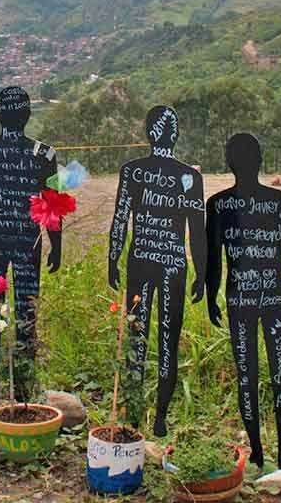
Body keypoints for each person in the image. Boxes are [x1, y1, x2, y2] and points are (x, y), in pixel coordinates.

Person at [206, 133, 281, 470]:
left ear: (230, 162)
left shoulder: (221, 204)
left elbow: (214, 262)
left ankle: (268, 453)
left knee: (249, 377)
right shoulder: (278, 202)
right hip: (271, 299)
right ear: (260, 159)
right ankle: (277, 452)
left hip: (243, 301)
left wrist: (211, 297)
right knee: (279, 376)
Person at [108, 105, 206, 437]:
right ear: (174, 135)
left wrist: (113, 257)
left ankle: (135, 413)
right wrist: (201, 272)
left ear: (148, 133)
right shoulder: (189, 177)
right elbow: (198, 230)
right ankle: (159, 417)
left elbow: (120, 220)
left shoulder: (133, 171)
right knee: (167, 338)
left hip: (141, 261)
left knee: (138, 336)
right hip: (173, 264)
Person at [0, 86, 60, 399]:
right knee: (26, 309)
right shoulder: (44, 154)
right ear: (28, 115)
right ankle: (24, 381)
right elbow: (52, 202)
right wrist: (56, 243)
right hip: (27, 241)